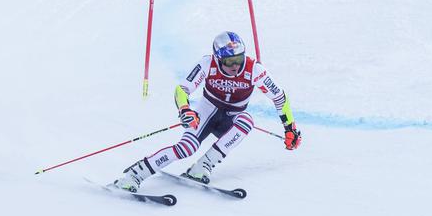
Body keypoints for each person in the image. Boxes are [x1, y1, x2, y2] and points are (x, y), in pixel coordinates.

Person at [113, 31, 301, 192]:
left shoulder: (255, 69)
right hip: (207, 110)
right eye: (229, 62)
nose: (235, 66)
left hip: (232, 118)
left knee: (247, 120)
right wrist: (185, 109)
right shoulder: (207, 63)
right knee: (186, 148)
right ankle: (134, 175)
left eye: (239, 59)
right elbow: (182, 89)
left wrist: (289, 127)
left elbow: (279, 97)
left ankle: (203, 166)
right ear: (218, 59)